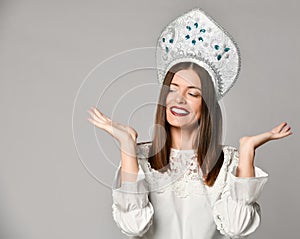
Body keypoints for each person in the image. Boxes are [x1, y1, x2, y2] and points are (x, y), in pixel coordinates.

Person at [87, 8, 292, 239]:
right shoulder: (141, 158)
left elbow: (237, 228)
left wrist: (247, 151)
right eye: (173, 89)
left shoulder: (226, 164)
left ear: (207, 106)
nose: (179, 99)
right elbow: (134, 226)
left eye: (192, 93)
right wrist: (127, 145)